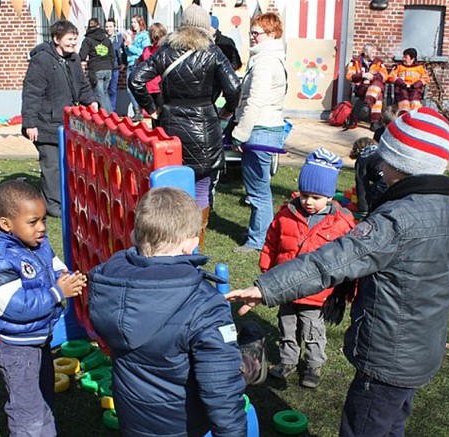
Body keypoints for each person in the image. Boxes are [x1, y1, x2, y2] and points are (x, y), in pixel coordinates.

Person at [225, 107, 449, 436]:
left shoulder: (396, 221)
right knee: (392, 424)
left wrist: (266, 288)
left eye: (385, 159)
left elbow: (329, 261)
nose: (380, 168)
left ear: (401, 165)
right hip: (422, 351)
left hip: (387, 357)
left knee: (365, 426)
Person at [88, 187, 266, 436]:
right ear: (190, 244)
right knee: (239, 382)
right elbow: (220, 388)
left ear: (134, 235)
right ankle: (251, 362)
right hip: (185, 425)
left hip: (135, 420)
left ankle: (249, 361)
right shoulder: (204, 304)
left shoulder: (109, 282)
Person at [0, 180, 86, 436]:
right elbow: (14, 306)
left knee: (43, 398)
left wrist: (65, 276)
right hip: (17, 350)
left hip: (40, 340)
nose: (42, 228)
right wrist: (57, 292)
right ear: (6, 224)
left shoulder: (34, 242)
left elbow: (52, 265)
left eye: (43, 219)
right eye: (33, 222)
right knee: (27, 411)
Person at [129, 4, 241, 251]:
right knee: (201, 187)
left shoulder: (166, 50)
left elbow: (136, 79)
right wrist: (226, 111)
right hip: (205, 127)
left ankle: (168, 243)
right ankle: (193, 246)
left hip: (171, 128)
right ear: (204, 27)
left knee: (171, 188)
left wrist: (153, 109)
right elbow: (234, 87)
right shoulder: (213, 52)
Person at [260, 149, 356, 389]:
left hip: (317, 293)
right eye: (304, 195)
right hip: (286, 287)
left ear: (330, 196)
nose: (308, 202)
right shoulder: (286, 215)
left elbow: (350, 259)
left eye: (316, 197)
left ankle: (313, 364)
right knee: (287, 326)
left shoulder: (340, 223)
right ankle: (287, 360)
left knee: (313, 330)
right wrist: (267, 272)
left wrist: (346, 291)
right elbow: (271, 244)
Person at [21, 20, 98, 217]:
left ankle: (65, 197)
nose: (73, 43)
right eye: (69, 39)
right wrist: (30, 123)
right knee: (52, 165)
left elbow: (82, 85)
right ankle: (53, 205)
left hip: (67, 123)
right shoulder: (42, 61)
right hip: (45, 123)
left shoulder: (73, 60)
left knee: (67, 163)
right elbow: (32, 93)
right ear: (56, 39)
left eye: (75, 39)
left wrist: (91, 100)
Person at [228, 12, 288, 254]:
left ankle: (257, 240)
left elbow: (255, 102)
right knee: (260, 188)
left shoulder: (265, 62)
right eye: (251, 32)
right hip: (266, 128)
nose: (252, 37)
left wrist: (239, 134)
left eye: (257, 33)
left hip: (260, 129)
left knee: (257, 191)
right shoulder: (271, 58)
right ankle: (261, 233)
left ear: (272, 35)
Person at [345, 42, 388, 131]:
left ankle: (367, 104)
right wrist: (363, 75)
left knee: (377, 90)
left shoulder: (379, 62)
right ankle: (374, 122)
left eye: (375, 53)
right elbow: (349, 76)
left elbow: (385, 76)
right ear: (365, 52)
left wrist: (373, 77)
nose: (374, 55)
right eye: (372, 52)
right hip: (361, 87)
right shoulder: (355, 62)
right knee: (378, 94)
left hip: (374, 87)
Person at [79, 18, 115, 113]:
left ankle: (106, 119)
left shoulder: (88, 40)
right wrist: (110, 67)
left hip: (96, 69)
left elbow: (82, 56)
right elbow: (112, 56)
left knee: (99, 95)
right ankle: (110, 116)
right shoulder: (107, 39)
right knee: (104, 93)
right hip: (108, 69)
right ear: (99, 26)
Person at [137, 22, 167, 125]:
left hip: (151, 86)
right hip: (157, 86)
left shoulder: (148, 50)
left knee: (154, 115)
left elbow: (139, 62)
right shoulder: (162, 50)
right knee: (159, 115)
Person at [349, 137, 387, 215]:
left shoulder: (363, 156)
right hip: (395, 179)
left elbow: (361, 185)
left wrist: (363, 209)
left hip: (383, 181)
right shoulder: (381, 150)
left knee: (372, 201)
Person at [124, 14, 150, 121]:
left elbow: (144, 51)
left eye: (135, 22)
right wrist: (126, 46)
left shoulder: (144, 35)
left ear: (140, 23)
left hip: (138, 64)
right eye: (132, 22)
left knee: (134, 88)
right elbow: (128, 52)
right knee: (129, 89)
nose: (133, 24)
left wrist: (131, 46)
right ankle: (137, 111)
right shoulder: (132, 35)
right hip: (130, 64)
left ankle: (139, 111)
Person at [388, 47, 430, 112]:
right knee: (404, 102)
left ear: (412, 59)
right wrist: (401, 83)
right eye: (403, 57)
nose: (403, 59)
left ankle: (415, 118)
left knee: (415, 102)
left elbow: (426, 78)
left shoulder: (420, 68)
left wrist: (415, 85)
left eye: (405, 57)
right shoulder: (399, 67)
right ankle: (403, 117)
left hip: (415, 89)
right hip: (402, 88)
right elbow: (391, 76)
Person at [105, 18, 125, 113]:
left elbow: (124, 51)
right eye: (107, 26)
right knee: (104, 91)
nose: (108, 29)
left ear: (114, 27)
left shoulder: (119, 38)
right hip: (104, 67)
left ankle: (112, 111)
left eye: (110, 26)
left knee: (113, 90)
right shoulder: (103, 38)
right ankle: (105, 111)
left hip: (115, 67)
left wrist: (123, 63)